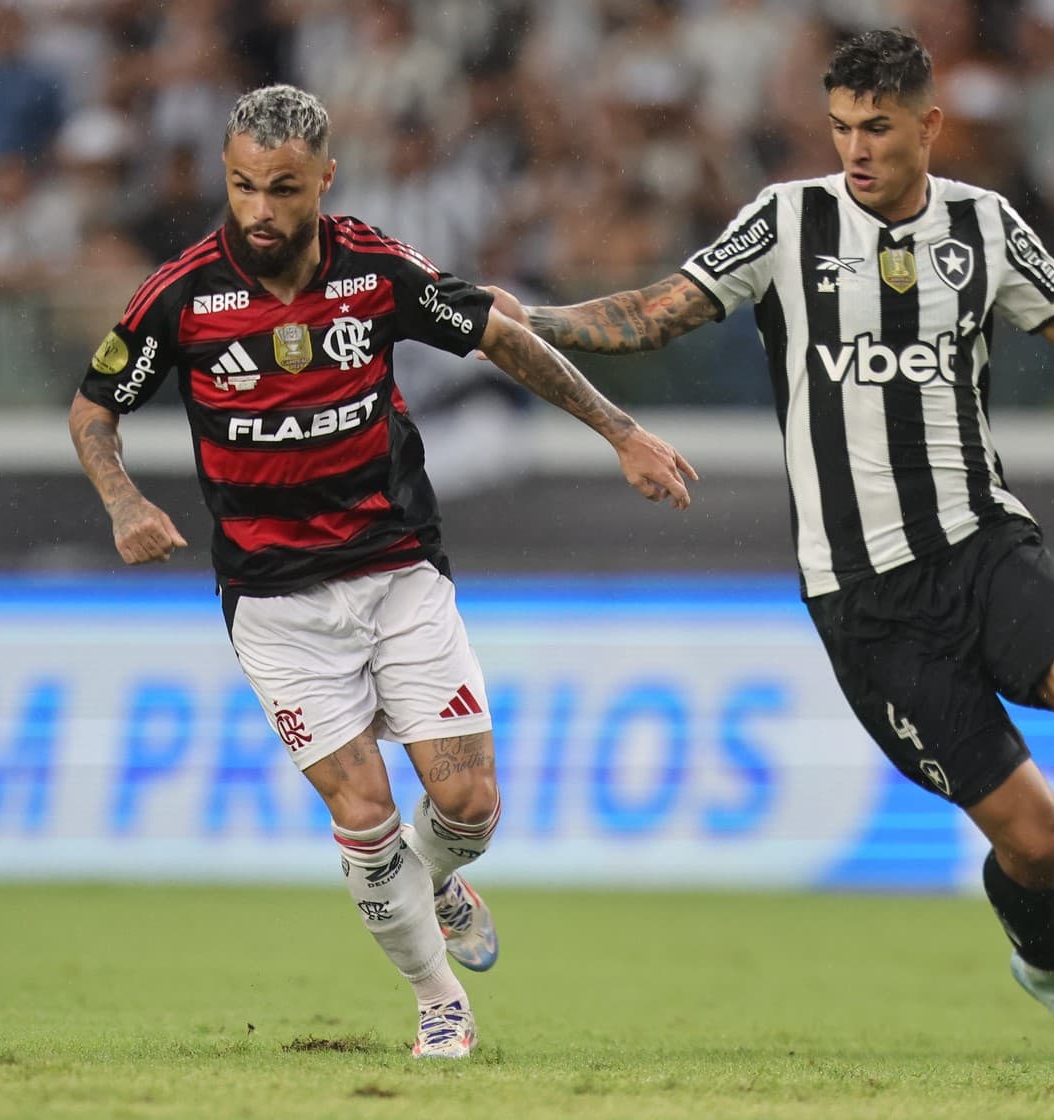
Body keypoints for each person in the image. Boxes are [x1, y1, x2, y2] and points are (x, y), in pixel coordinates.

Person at [492, 28, 1054, 1055]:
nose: (854, 149)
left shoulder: (983, 225)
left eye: (874, 127)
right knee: (1036, 835)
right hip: (866, 605)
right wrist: (535, 320)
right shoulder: (786, 221)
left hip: (981, 547)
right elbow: (658, 312)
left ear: (926, 124)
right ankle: (1049, 967)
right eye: (838, 127)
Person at [68, 85, 697, 1060]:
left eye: (282, 188)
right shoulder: (183, 296)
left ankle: (437, 877)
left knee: (468, 805)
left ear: (323, 178)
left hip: (398, 571)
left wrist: (620, 432)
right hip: (274, 602)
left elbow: (497, 333)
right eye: (242, 187)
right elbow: (93, 408)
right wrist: (123, 503)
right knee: (362, 814)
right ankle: (437, 999)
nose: (260, 210)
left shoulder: (374, 271)